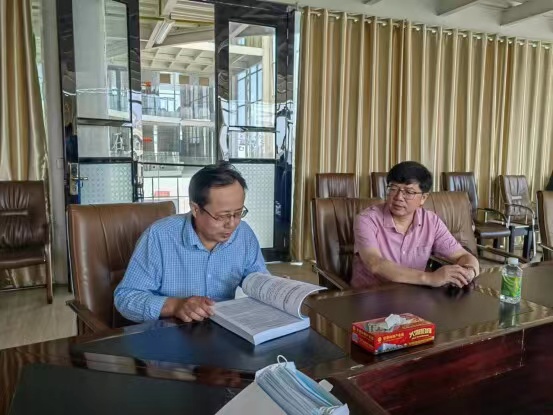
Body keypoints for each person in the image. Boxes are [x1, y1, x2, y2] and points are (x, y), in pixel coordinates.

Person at [114, 161, 268, 323]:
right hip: (173, 329)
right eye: (222, 216)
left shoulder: (243, 234)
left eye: (238, 213)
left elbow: (257, 279)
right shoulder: (160, 236)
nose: (232, 224)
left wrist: (275, 288)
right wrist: (174, 306)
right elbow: (125, 298)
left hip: (225, 327)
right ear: (196, 209)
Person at [352, 161, 479, 289]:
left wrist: (469, 272)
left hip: (414, 295)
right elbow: (375, 263)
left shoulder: (431, 222)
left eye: (409, 192)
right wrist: (431, 278)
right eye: (393, 189)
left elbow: (464, 256)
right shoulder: (367, 220)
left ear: (423, 198)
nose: (398, 197)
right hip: (371, 294)